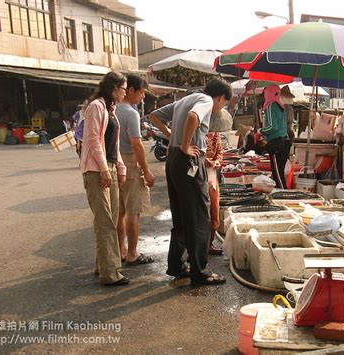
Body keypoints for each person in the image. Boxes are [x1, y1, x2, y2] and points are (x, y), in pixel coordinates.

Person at [149, 78, 233, 286]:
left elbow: (153, 116)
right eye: (224, 103)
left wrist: (172, 137)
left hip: (174, 160)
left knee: (181, 215)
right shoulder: (205, 100)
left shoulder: (186, 99)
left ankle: (177, 264)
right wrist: (186, 145)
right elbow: (193, 117)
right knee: (198, 217)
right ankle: (200, 271)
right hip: (188, 161)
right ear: (221, 97)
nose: (221, 107)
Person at [80, 71, 129, 286]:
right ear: (113, 88)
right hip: (96, 170)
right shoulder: (96, 107)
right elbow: (92, 140)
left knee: (112, 218)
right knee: (106, 221)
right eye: (123, 89)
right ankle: (110, 273)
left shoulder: (112, 110)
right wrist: (103, 169)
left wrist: (120, 167)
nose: (125, 93)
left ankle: (103, 265)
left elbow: (113, 144)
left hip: (108, 167)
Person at [115, 73, 155, 266]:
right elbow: (137, 145)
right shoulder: (131, 113)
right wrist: (146, 170)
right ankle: (132, 253)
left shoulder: (111, 109)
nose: (143, 97)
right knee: (133, 211)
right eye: (141, 93)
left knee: (120, 211)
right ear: (130, 90)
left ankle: (121, 251)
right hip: (130, 163)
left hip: (115, 162)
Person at [205, 108, 232, 255]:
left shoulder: (216, 134)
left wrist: (216, 161)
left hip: (212, 174)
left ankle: (209, 243)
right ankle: (197, 245)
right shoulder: (198, 133)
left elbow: (220, 152)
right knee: (201, 210)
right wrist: (206, 161)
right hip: (199, 173)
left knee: (214, 208)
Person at [260, 85, 290, 189]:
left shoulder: (270, 106)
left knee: (277, 174)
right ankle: (281, 192)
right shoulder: (281, 106)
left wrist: (261, 131)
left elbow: (273, 127)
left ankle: (282, 195)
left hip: (276, 143)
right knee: (279, 172)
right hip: (285, 142)